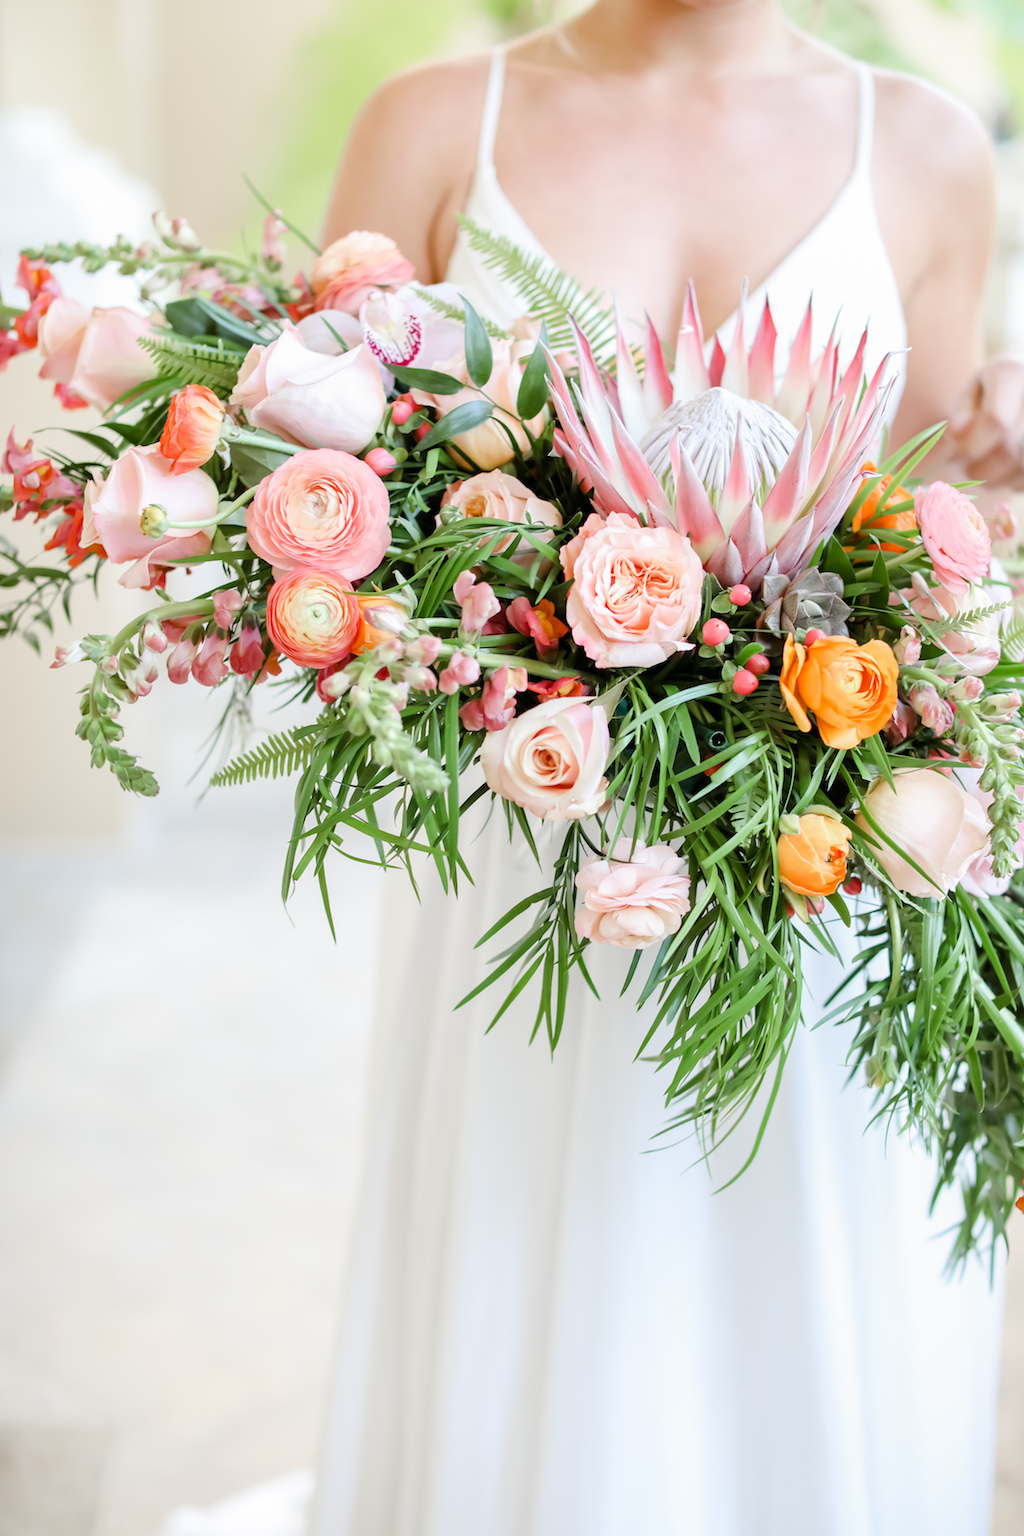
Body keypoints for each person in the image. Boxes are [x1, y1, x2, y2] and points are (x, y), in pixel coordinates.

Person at [162, 4, 1024, 1534]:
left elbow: (935, 542)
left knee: (807, 1313)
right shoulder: (437, 123)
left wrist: (1002, 472)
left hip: (810, 883)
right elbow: (307, 491)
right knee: (526, 1290)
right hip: (531, 861)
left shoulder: (933, 149)